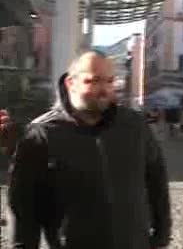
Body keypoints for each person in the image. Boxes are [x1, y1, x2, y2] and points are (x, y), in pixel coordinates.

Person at [8, 50, 171, 249]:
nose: (104, 89)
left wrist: (162, 233)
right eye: (94, 81)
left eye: (110, 81)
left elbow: (157, 179)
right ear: (71, 83)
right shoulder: (41, 133)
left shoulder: (135, 125)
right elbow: (24, 206)